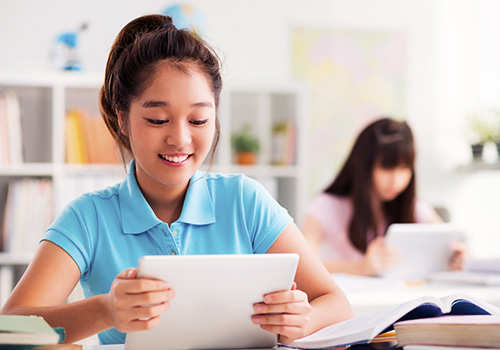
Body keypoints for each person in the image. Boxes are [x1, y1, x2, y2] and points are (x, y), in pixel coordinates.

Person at [0, 14, 354, 345]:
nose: (180, 139)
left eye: (198, 120)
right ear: (123, 120)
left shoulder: (245, 201)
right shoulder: (89, 218)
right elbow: (10, 328)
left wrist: (302, 321)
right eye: (157, 120)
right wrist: (106, 310)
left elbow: (336, 303)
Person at [302, 118, 443, 276]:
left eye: (405, 168)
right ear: (363, 166)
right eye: (387, 168)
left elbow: (448, 239)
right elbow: (304, 265)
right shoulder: (325, 206)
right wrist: (361, 267)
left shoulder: (413, 205)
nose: (396, 180)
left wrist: (458, 259)